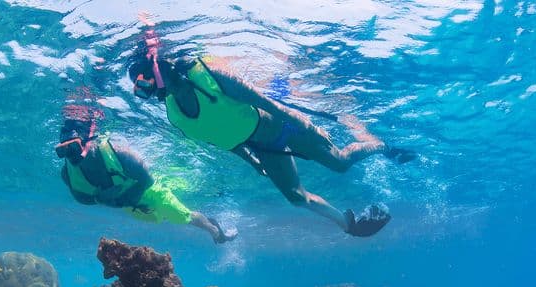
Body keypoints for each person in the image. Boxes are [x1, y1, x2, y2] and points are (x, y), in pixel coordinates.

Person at [126, 31, 403, 237]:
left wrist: (304, 125)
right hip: (263, 148)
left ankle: (379, 145)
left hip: (285, 127)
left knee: (340, 163)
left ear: (158, 64)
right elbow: (222, 140)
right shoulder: (175, 116)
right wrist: (252, 161)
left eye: (143, 78)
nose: (145, 89)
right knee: (296, 197)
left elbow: (267, 103)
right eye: (139, 87)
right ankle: (349, 224)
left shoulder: (207, 75)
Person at [55, 101, 237, 244]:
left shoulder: (119, 153)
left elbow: (147, 180)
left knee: (182, 217)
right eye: (62, 150)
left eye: (73, 147)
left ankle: (215, 231)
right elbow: (80, 197)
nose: (70, 155)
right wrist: (99, 199)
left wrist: (118, 200)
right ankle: (176, 215)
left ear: (89, 140)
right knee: (158, 218)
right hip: (128, 204)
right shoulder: (67, 173)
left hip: (150, 192)